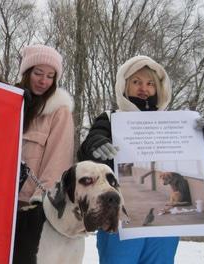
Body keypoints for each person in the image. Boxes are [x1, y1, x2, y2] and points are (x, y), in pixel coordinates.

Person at [77, 55, 180, 264]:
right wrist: (96, 143)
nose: (144, 88)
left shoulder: (174, 123)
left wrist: (203, 134)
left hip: (164, 219)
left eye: (150, 83)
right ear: (125, 85)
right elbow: (90, 145)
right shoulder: (111, 117)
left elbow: (198, 157)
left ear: (159, 88)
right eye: (136, 82)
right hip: (121, 215)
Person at [12, 44, 75, 263]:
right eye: (38, 73)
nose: (43, 81)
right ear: (26, 72)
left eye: (50, 76)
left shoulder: (59, 111)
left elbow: (58, 159)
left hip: (28, 206)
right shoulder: (9, 100)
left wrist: (41, 203)